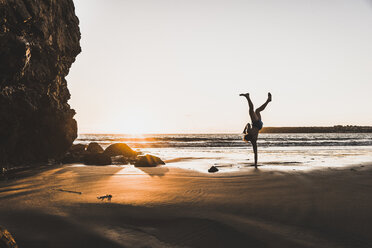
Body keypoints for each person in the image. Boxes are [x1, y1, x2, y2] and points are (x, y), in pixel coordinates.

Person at [240, 92, 272, 168]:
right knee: (252, 110)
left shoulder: (253, 140)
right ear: (247, 135)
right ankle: (248, 97)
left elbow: (255, 153)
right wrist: (244, 129)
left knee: (257, 110)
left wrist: (255, 164)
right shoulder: (249, 132)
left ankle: (268, 100)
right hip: (256, 123)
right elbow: (248, 124)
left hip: (259, 126)